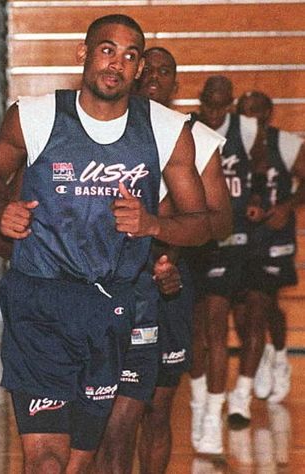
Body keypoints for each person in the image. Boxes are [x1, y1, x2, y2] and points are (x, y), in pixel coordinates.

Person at [0, 14, 211, 473]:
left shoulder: (166, 130)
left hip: (112, 307)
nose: (116, 64)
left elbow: (202, 225)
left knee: (82, 461)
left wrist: (152, 225)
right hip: (39, 300)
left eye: (130, 55)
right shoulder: (36, 115)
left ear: (139, 69)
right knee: (46, 461)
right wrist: (1, 206)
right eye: (107, 50)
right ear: (83, 54)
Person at [94, 47, 231, 474]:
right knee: (107, 415)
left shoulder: (199, 139)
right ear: (133, 76)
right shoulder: (99, 130)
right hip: (107, 284)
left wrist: (164, 225)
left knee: (157, 407)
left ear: (176, 84)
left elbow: (221, 224)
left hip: (168, 286)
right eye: (146, 68)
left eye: (164, 70)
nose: (154, 76)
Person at [188, 76, 267, 454]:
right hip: (194, 237)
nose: (215, 111)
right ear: (201, 101)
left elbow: (264, 165)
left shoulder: (247, 129)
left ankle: (212, 414)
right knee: (194, 333)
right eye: (210, 104)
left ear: (231, 104)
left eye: (223, 105)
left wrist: (255, 195)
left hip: (230, 240)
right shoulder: (187, 128)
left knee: (218, 325)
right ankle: (198, 397)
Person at [234, 91, 305, 404]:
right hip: (239, 235)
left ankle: (277, 354)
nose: (251, 117)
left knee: (264, 301)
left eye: (257, 110)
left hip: (273, 235)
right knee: (241, 305)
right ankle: (259, 353)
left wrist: (287, 206)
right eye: (245, 111)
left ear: (269, 112)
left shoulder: (285, 143)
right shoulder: (231, 144)